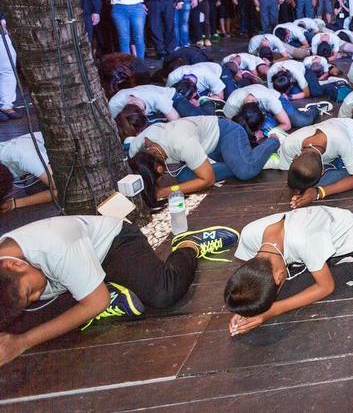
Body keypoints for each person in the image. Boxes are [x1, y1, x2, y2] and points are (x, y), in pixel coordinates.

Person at [0, 216, 237, 365]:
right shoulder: (13, 279)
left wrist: (23, 342)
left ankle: (189, 245)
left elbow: (96, 303)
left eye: (31, 291)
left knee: (164, 293)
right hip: (72, 275)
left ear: (15, 264)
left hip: (112, 246)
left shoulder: (54, 246)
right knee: (16, 324)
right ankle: (101, 291)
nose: (36, 297)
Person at [225, 207, 353, 336]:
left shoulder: (303, 241)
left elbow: (326, 287)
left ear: (279, 276)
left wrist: (269, 312)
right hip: (310, 251)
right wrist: (245, 307)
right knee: (282, 294)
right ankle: (347, 266)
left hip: (346, 235)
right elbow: (250, 283)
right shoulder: (249, 235)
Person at [126, 116, 280, 198]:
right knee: (184, 180)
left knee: (246, 171)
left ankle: (273, 141)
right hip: (205, 149)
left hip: (226, 133)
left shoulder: (181, 142)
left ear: (160, 168)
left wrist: (165, 191)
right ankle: (240, 159)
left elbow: (208, 179)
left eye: (158, 177)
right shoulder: (136, 147)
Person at [0, 133, 52, 213]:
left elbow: (61, 190)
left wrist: (15, 203)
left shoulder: (27, 158)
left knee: (34, 189)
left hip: (63, 153)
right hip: (29, 160)